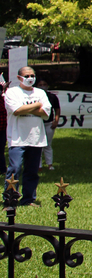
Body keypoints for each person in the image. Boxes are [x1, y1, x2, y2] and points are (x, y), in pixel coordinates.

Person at [4, 67, 51, 207]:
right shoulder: (12, 92)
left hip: (36, 138)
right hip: (17, 138)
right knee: (15, 169)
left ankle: (28, 199)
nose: (30, 78)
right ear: (19, 77)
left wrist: (28, 108)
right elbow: (17, 110)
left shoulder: (41, 92)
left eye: (32, 75)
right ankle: (10, 200)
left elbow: (45, 113)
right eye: (27, 76)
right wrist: (37, 105)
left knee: (32, 171)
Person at [35, 76, 60, 171]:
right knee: (38, 145)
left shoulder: (52, 97)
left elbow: (57, 109)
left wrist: (56, 121)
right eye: (40, 85)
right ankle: (39, 165)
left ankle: (50, 164)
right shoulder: (35, 97)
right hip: (37, 123)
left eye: (44, 84)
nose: (42, 86)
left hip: (48, 123)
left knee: (47, 145)